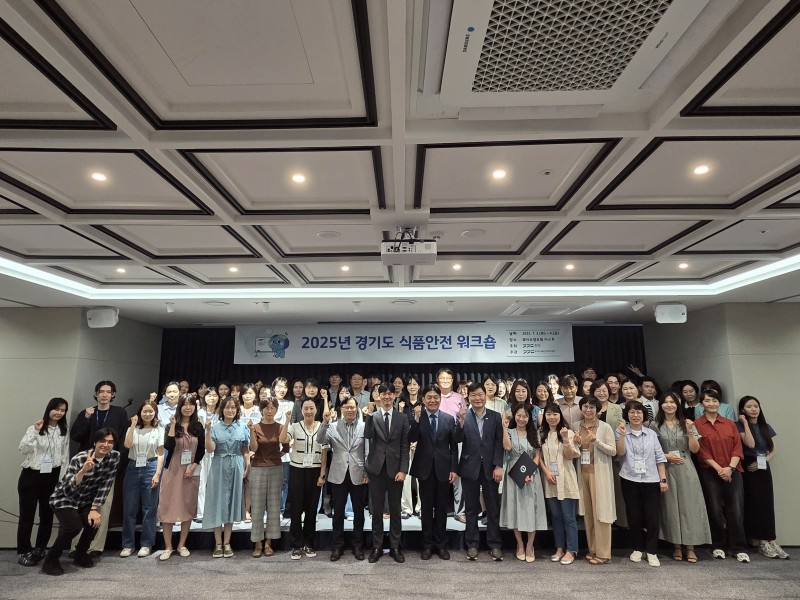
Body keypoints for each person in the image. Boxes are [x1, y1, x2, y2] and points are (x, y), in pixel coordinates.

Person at [41, 428, 121, 575]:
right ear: (95, 442)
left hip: (85, 500)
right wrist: (83, 471)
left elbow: (106, 484)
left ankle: (81, 554)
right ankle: (51, 558)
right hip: (64, 498)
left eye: (110, 442)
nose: (106, 445)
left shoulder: (114, 457)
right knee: (73, 526)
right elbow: (67, 489)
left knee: (94, 522)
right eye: (102, 441)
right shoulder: (80, 458)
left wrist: (94, 509)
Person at [69, 380, 128, 555]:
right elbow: (76, 436)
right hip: (87, 464)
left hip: (108, 465)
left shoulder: (119, 413)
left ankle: (95, 547)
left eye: (108, 392)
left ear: (113, 395)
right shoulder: (86, 413)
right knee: (81, 506)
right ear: (96, 394)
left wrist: (117, 464)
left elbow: (122, 440)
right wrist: (86, 419)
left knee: (103, 505)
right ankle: (76, 546)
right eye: (101, 391)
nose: (104, 395)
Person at [652, 392, 710, 563]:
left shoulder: (687, 423)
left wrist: (690, 431)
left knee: (689, 506)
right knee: (670, 507)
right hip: (665, 468)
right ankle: (676, 546)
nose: (669, 405)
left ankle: (690, 547)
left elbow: (695, 449)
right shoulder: (655, 424)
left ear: (678, 405)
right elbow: (651, 449)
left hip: (686, 467)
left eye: (672, 402)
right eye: (665, 402)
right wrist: (666, 456)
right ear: (660, 405)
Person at [695, 389, 749, 562]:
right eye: (707, 400)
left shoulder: (730, 424)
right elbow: (701, 451)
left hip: (733, 471)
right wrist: (719, 469)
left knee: (736, 510)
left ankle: (738, 547)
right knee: (715, 509)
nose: (711, 404)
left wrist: (730, 468)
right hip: (710, 472)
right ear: (701, 403)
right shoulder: (697, 425)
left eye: (715, 401)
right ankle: (718, 545)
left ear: (720, 403)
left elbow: (737, 448)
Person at [409, 385, 461, 560]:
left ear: (440, 399)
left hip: (443, 469)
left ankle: (441, 545)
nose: (432, 400)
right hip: (424, 470)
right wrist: (416, 420)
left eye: (435, 397)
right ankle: (427, 545)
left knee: (441, 509)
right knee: (426, 509)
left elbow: (453, 447)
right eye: (429, 397)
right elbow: (411, 438)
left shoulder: (448, 419)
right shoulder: (418, 417)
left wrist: (454, 468)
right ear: (423, 400)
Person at [17, 398, 70, 566]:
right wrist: (35, 431)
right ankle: (24, 551)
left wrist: (62, 481)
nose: (59, 412)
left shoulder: (64, 431)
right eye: (56, 409)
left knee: (47, 516)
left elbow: (64, 456)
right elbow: (23, 449)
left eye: (63, 410)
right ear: (49, 409)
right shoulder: (35, 427)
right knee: (27, 516)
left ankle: (40, 548)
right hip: (32, 476)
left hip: (52, 476)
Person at [615, 401, 668, 567]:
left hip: (651, 479)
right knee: (634, 516)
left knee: (652, 517)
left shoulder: (651, 434)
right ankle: (637, 548)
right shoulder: (621, 431)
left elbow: (659, 457)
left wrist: (663, 479)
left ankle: (652, 551)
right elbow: (620, 452)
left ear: (644, 415)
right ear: (627, 415)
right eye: (632, 412)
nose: (635, 415)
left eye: (639, 412)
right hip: (629, 478)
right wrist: (622, 435)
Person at [737, 395, 788, 559]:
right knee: (755, 503)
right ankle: (761, 541)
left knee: (767, 503)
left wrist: (764, 462)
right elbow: (750, 444)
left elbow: (773, 450)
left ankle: (772, 540)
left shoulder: (765, 426)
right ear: (742, 409)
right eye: (749, 406)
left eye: (756, 406)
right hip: (748, 466)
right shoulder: (739, 425)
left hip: (762, 465)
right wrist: (745, 423)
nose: (753, 409)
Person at [363, 383, 410, 563]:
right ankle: (377, 547)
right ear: (379, 396)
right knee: (376, 510)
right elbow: (368, 435)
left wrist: (403, 470)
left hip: (395, 469)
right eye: (384, 394)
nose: (387, 397)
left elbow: (405, 446)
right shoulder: (373, 416)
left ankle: (395, 547)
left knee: (395, 510)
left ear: (394, 396)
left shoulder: (402, 418)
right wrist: (368, 415)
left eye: (390, 394)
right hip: (376, 469)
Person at [459, 382, 504, 561]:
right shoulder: (464, 416)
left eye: (480, 394)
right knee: (471, 509)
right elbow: (456, 439)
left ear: (485, 396)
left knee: (492, 508)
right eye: (473, 395)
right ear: (468, 397)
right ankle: (472, 545)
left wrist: (498, 465)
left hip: (490, 469)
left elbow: (499, 443)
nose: (477, 398)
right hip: (469, 468)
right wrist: (461, 422)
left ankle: (495, 545)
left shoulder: (495, 416)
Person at [319, 396, 368, 561]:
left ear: (357, 409)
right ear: (341, 409)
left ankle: (358, 545)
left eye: (353, 407)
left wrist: (367, 472)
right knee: (338, 512)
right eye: (347, 407)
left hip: (358, 473)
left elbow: (367, 451)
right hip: (338, 474)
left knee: (359, 512)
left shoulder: (363, 426)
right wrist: (325, 422)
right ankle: (337, 546)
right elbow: (320, 440)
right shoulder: (332, 426)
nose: (350, 410)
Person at [499, 403, 548, 563]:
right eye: (519, 415)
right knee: (515, 508)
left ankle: (529, 546)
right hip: (514, 474)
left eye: (525, 416)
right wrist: (504, 428)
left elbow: (537, 455)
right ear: (515, 416)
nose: (521, 419)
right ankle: (520, 544)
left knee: (531, 509)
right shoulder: (510, 432)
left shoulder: (534, 433)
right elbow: (507, 447)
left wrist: (529, 472)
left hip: (531, 475)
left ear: (529, 418)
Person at [158, 394, 204, 561]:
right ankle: (168, 546)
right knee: (168, 506)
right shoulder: (172, 425)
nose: (188, 407)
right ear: (179, 407)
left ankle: (182, 545)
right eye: (184, 404)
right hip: (173, 469)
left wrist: (193, 467)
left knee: (187, 505)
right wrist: (172, 425)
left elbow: (201, 449)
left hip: (191, 470)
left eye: (191, 404)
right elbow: (168, 446)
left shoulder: (198, 426)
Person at [203, 397, 251, 558]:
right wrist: (208, 431)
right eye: (227, 407)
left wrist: (247, 464)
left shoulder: (242, 427)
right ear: (222, 410)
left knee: (231, 503)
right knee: (217, 502)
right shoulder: (215, 427)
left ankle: (227, 543)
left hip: (236, 464)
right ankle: (218, 543)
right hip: (219, 465)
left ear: (237, 410)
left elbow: (245, 449)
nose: (230, 410)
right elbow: (210, 449)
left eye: (233, 408)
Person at [280, 398, 327, 559]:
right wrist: (287, 420)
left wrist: (322, 474)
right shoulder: (295, 426)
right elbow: (283, 439)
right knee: (296, 509)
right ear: (301, 411)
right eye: (305, 408)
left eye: (311, 408)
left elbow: (324, 452)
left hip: (315, 471)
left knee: (311, 510)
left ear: (316, 410)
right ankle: (296, 545)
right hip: (297, 471)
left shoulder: (321, 426)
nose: (308, 411)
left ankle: (309, 543)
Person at [573, 396, 616, 565]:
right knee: (589, 514)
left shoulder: (605, 427)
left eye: (592, 407)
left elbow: (613, 451)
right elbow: (574, 451)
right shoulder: (576, 426)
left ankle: (604, 553)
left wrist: (596, 441)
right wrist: (576, 443)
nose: (588, 410)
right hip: (582, 473)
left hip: (600, 474)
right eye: (585, 406)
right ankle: (593, 549)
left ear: (598, 410)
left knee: (601, 513)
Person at [120, 399, 164, 558]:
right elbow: (127, 445)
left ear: (155, 413)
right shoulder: (132, 429)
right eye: (145, 411)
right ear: (140, 413)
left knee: (149, 508)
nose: (148, 414)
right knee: (129, 508)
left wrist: (157, 473)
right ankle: (128, 544)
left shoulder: (159, 430)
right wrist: (132, 425)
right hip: (133, 467)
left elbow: (161, 453)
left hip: (151, 466)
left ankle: (146, 544)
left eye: (151, 411)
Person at [540, 403, 580, 566]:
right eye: (549, 414)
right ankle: (559, 548)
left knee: (568, 517)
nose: (552, 417)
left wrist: (565, 439)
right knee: (556, 517)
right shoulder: (542, 434)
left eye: (555, 414)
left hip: (566, 479)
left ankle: (571, 550)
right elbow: (539, 456)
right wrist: (546, 472)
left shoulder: (568, 432)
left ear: (560, 416)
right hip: (550, 480)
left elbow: (570, 456)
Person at [249, 397, 287, 558]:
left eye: (272, 408)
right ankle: (258, 543)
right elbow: (253, 448)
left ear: (277, 410)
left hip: (276, 468)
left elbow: (286, 447)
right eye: (266, 408)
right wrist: (251, 431)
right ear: (261, 410)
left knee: (273, 507)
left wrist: (276, 457)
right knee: (257, 507)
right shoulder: (256, 427)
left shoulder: (280, 427)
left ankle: (269, 543)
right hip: (257, 468)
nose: (269, 411)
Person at [398, 375, 423, 518]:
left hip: (421, 444)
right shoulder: (401, 403)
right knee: (405, 477)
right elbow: (398, 425)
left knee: (421, 477)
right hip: (405, 444)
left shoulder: (423, 402)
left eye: (415, 384)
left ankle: (421, 507)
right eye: (409, 384)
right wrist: (400, 410)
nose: (412, 387)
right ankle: (406, 508)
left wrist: (418, 441)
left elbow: (426, 424)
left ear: (419, 386)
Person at [196, 386, 219, 520]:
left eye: (215, 395)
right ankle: (201, 512)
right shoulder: (199, 413)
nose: (212, 398)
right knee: (201, 481)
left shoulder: (221, 413)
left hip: (217, 450)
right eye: (209, 395)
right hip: (202, 450)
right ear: (204, 397)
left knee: (215, 481)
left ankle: (214, 511)